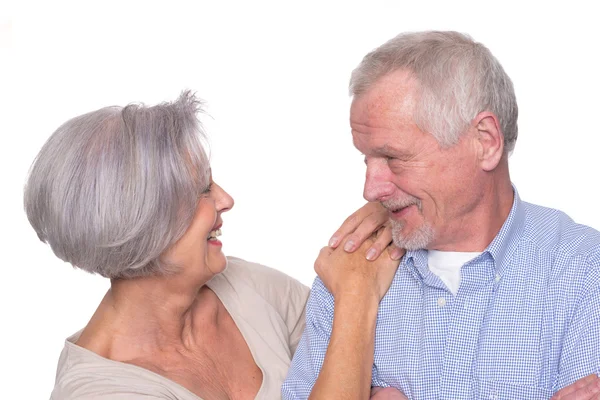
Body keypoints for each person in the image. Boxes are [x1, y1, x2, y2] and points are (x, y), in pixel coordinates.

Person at [282, 31, 600, 399]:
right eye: (366, 159)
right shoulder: (349, 273)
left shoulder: (585, 272)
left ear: (485, 142)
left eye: (394, 158)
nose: (371, 190)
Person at [25, 92, 401, 400]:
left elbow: (378, 352)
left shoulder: (247, 286)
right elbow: (354, 326)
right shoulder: (101, 392)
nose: (225, 199)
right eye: (202, 190)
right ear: (141, 223)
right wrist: (355, 295)